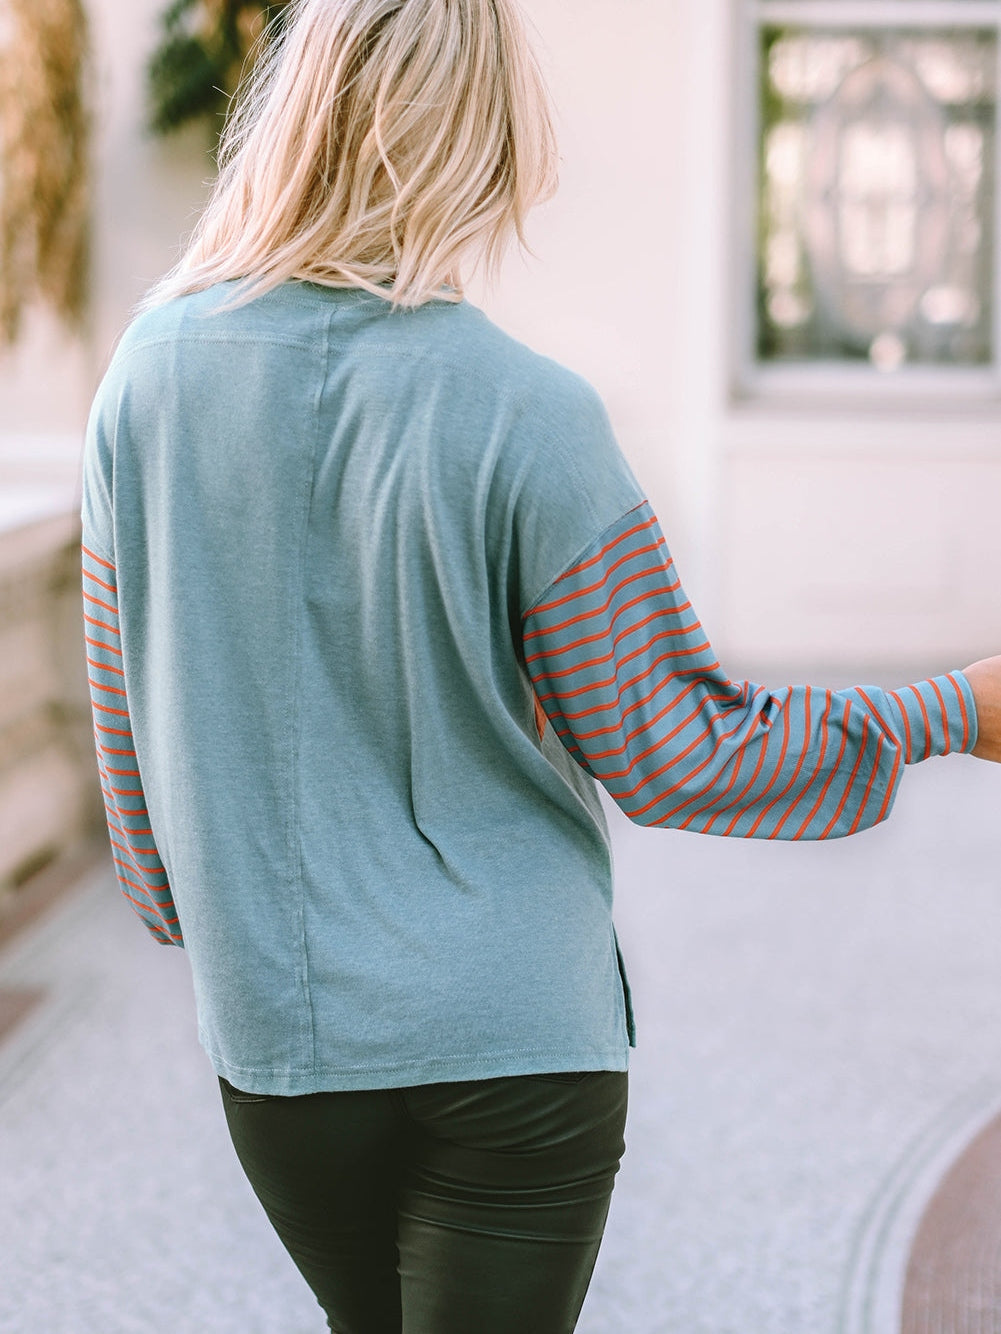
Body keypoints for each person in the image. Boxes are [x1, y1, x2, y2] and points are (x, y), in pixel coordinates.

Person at [79, 1, 1001, 1330]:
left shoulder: (142, 386)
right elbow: (674, 747)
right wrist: (950, 709)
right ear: (484, 140)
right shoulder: (530, 415)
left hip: (278, 1056)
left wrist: (231, 922)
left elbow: (139, 816)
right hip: (516, 1044)